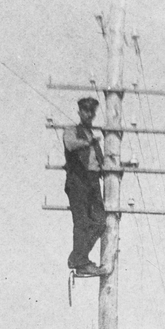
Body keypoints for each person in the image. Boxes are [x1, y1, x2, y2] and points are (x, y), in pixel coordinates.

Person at [63, 97, 107, 276]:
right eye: (86, 111)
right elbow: (70, 144)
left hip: (93, 181)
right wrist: (89, 142)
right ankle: (81, 261)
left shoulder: (92, 136)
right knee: (81, 222)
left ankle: (78, 257)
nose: (89, 114)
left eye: (92, 112)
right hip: (78, 180)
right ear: (79, 112)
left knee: (100, 222)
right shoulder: (72, 131)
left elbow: (101, 162)